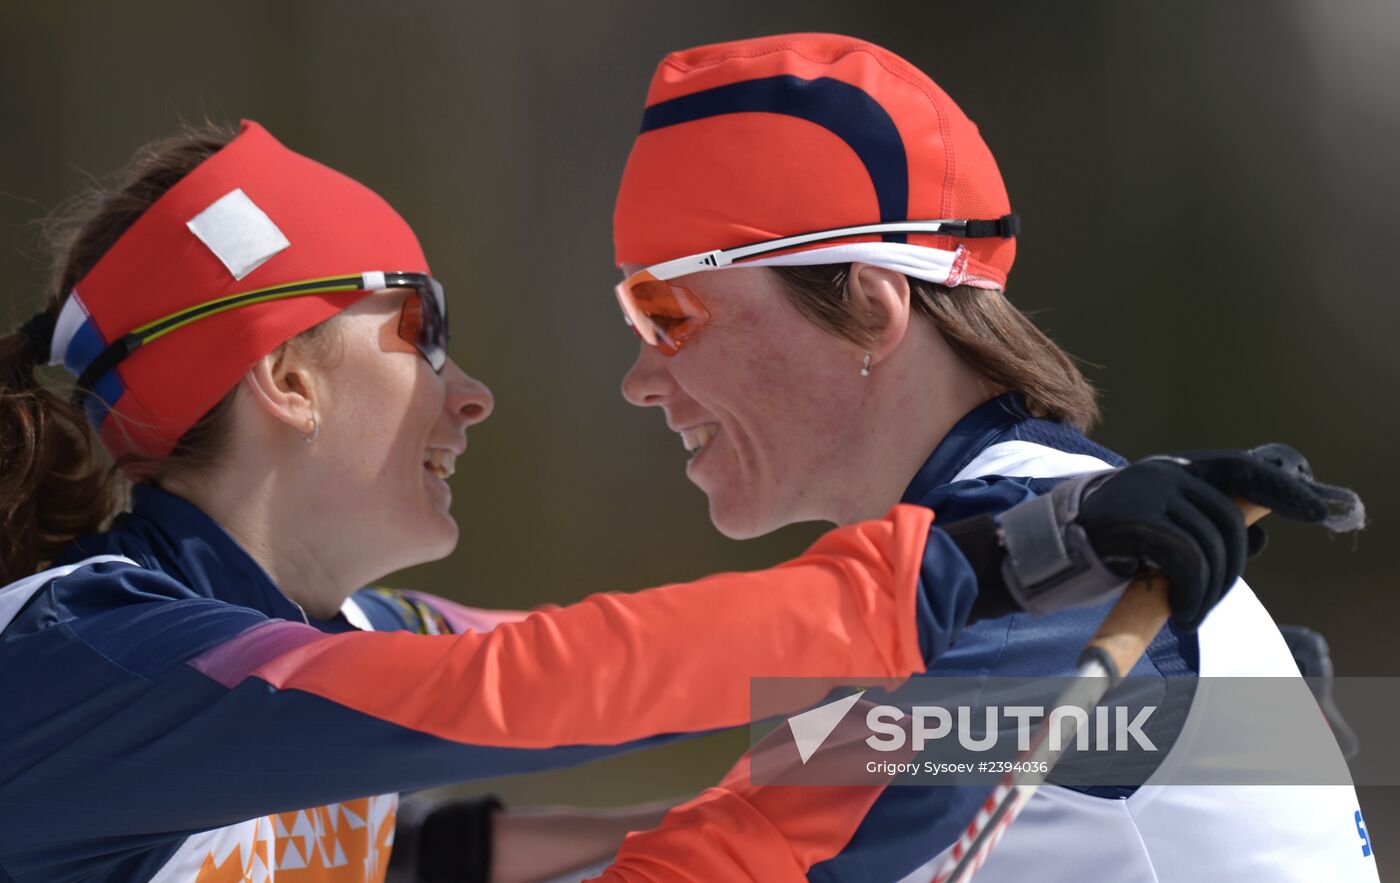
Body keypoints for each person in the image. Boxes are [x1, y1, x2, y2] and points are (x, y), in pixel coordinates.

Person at [0, 121, 1268, 882]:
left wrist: (1194, 731)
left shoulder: (352, 641)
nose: (473, 391)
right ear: (283, 374)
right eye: (421, 331)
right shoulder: (84, 654)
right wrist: (988, 565)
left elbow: (695, 702)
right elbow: (542, 690)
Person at [610, 33, 1378, 882]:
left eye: (667, 312)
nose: (640, 378)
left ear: (869, 307)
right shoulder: (1044, 554)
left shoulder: (1038, 601)